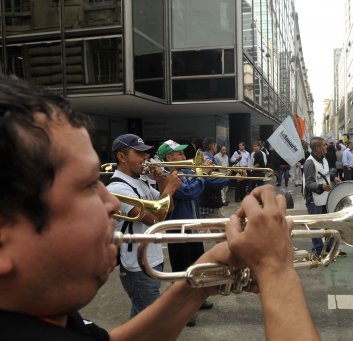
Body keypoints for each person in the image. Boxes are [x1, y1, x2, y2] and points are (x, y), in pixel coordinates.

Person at [0, 76, 319, 341]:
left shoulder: (47, 315)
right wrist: (276, 270)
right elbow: (160, 209)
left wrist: (202, 277)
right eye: (86, 186)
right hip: (139, 263)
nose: (110, 202)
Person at [107, 133, 182, 318]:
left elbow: (168, 207)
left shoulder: (140, 183)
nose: (145, 158)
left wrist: (162, 180)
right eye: (139, 153)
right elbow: (156, 221)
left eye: (146, 154)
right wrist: (170, 188)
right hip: (137, 266)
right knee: (154, 322)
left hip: (152, 259)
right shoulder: (117, 188)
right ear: (121, 157)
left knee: (139, 318)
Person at [156, 139, 213, 324]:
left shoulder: (186, 170)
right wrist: (202, 176)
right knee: (181, 271)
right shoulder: (166, 175)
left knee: (197, 265)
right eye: (179, 154)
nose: (183, 156)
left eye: (182, 153)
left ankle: (197, 299)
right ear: (168, 157)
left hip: (193, 225)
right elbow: (188, 192)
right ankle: (182, 308)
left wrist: (210, 173)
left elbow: (200, 186)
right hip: (177, 228)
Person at [303, 137, 343, 256]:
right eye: (324, 145)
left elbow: (326, 172)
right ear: (317, 148)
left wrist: (334, 178)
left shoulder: (324, 158)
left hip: (326, 198)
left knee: (330, 223)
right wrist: (321, 187)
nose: (327, 146)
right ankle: (319, 249)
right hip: (314, 200)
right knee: (315, 226)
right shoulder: (309, 163)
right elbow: (309, 184)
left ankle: (330, 248)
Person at [200, 137, 230, 219]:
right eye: (216, 146)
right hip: (210, 200)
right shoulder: (208, 160)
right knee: (220, 228)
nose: (217, 148)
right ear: (213, 146)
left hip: (207, 200)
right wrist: (230, 178)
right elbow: (210, 180)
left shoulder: (204, 157)